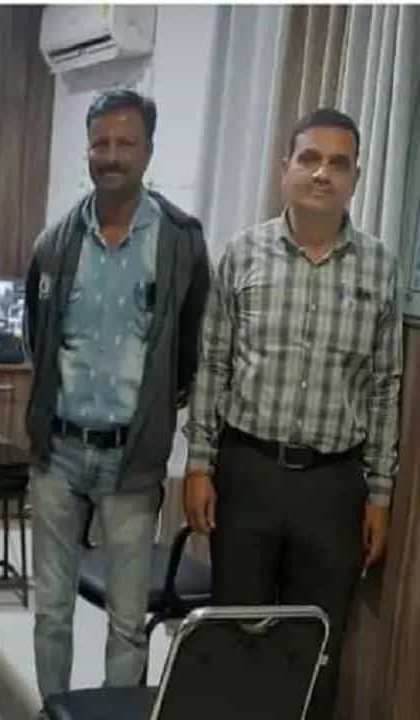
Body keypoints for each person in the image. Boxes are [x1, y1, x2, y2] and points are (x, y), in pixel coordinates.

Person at [183, 108, 400, 720]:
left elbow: (385, 387)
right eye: (309, 158)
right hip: (248, 471)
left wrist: (379, 495)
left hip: (334, 487)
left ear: (355, 178)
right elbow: (213, 366)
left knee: (315, 645)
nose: (322, 173)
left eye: (338, 163)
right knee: (236, 635)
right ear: (286, 168)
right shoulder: (243, 254)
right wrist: (198, 464)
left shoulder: (379, 268)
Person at [22, 89, 210, 701]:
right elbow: (38, 338)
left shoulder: (180, 241)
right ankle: (54, 712)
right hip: (59, 453)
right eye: (100, 143)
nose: (110, 155)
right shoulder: (56, 242)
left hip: (133, 458)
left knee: (128, 623)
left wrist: (158, 408)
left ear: (148, 151)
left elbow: (192, 345)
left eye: (125, 143)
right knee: (51, 612)